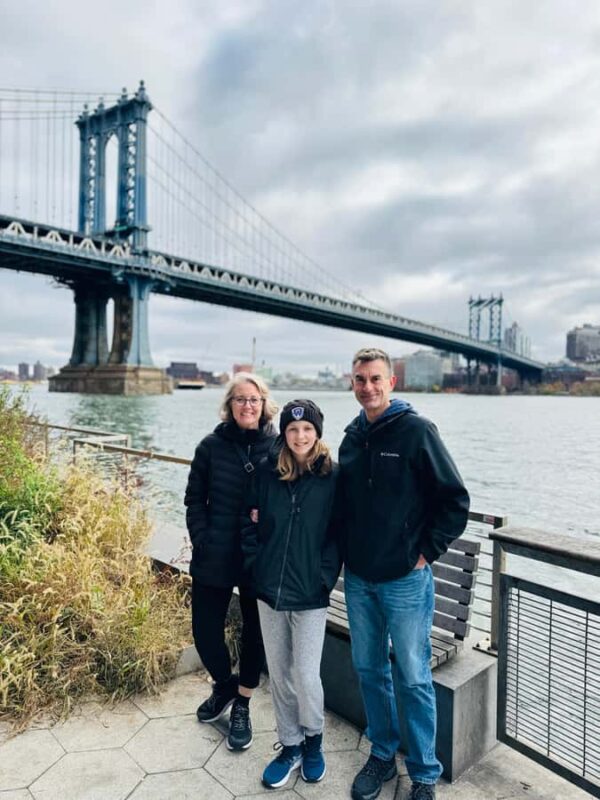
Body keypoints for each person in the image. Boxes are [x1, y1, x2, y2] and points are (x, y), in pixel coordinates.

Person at [338, 348, 470, 800]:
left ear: (391, 382)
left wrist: (425, 553)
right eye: (360, 380)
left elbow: (454, 500)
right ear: (352, 384)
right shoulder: (351, 438)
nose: (368, 387)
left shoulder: (418, 432)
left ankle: (425, 774)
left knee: (413, 676)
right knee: (369, 669)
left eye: (376, 379)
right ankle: (381, 754)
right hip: (358, 579)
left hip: (405, 582)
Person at [241, 399, 342, 789]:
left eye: (307, 430)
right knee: (279, 673)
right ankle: (290, 744)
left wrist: (324, 578)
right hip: (269, 590)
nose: (300, 436)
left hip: (310, 594)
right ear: (284, 433)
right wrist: (255, 566)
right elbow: (248, 520)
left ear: (317, 433)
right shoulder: (267, 472)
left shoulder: (332, 476)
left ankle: (313, 740)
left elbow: (338, 536)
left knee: (305, 673)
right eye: (293, 430)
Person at [184, 372, 278, 752]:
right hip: (215, 553)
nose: (247, 405)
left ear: (264, 403)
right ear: (229, 406)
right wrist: (202, 539)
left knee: (254, 634)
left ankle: (242, 703)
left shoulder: (277, 447)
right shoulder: (210, 447)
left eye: (253, 399)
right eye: (240, 399)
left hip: (257, 558)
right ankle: (223, 685)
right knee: (205, 631)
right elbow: (193, 500)